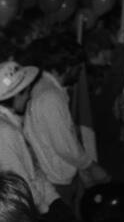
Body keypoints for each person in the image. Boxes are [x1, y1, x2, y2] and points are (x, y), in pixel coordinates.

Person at [24, 35, 109, 209]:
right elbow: (64, 145)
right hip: (54, 179)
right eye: (78, 67)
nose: (80, 72)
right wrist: (91, 166)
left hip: (54, 175)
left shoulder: (48, 90)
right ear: (66, 67)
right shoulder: (49, 96)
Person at [0, 60, 61, 216]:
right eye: (25, 92)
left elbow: (34, 169)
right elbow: (20, 183)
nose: (28, 96)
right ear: (16, 95)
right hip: (27, 211)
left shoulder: (10, 122)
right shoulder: (2, 132)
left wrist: (54, 200)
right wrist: (46, 211)